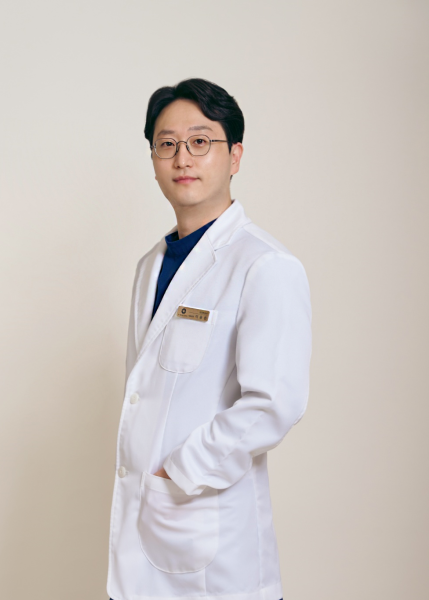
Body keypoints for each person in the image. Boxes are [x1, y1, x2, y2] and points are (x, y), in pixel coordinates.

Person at [107, 78, 312, 600]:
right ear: (153, 159)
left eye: (200, 141)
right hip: (144, 527)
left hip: (209, 539)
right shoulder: (150, 266)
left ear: (234, 155)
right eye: (167, 144)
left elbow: (274, 403)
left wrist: (180, 470)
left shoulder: (265, 265)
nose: (183, 158)